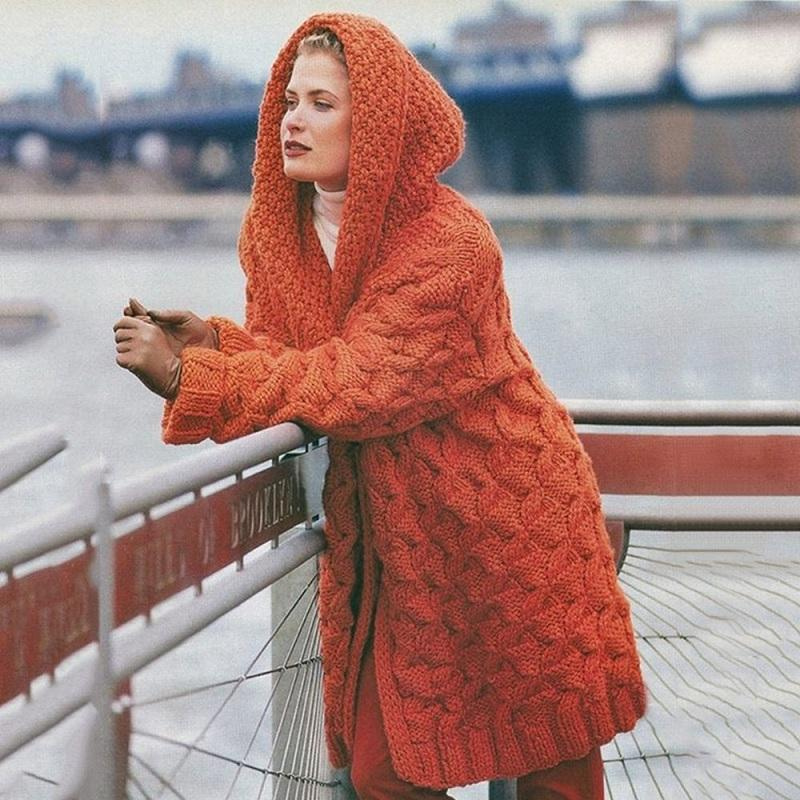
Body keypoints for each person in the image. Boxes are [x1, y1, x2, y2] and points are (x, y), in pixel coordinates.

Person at [113, 14, 646, 799]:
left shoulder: (452, 242)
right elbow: (307, 369)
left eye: (321, 104)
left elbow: (361, 382)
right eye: (289, 100)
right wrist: (219, 346)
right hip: (400, 547)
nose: (291, 119)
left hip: (511, 530)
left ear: (380, 123)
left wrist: (190, 382)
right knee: (383, 773)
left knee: (553, 773)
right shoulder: (276, 236)